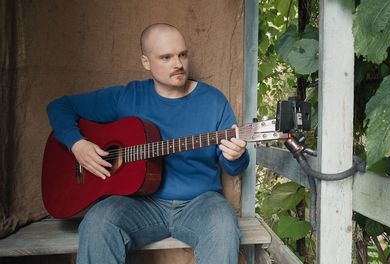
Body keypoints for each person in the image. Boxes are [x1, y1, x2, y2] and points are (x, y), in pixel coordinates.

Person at [47, 23, 249, 264]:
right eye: (166, 57)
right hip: (139, 204)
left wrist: (236, 156)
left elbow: (234, 167)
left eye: (183, 54)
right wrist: (77, 144)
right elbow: (60, 106)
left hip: (200, 203)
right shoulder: (128, 97)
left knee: (223, 225)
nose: (178, 64)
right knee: (98, 221)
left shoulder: (213, 100)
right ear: (146, 62)